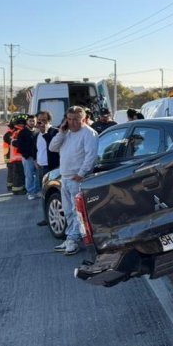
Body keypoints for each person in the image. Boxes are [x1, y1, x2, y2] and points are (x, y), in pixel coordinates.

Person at [49, 105, 98, 256]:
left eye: (76, 119)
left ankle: (74, 240)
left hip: (78, 179)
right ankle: (70, 237)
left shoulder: (89, 133)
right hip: (65, 177)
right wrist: (61, 132)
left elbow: (91, 156)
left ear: (83, 119)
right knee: (69, 211)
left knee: (77, 212)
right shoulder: (67, 133)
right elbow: (52, 147)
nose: (72, 123)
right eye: (69, 119)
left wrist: (81, 173)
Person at [34, 111, 60, 226]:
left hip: (51, 167)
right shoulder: (37, 134)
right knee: (44, 194)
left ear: (49, 120)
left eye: (44, 120)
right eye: (39, 120)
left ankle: (52, 218)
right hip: (41, 167)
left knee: (52, 194)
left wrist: (45, 132)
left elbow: (53, 147)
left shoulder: (54, 131)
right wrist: (36, 160)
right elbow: (37, 149)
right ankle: (46, 218)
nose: (41, 122)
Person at [16, 114, 40, 200]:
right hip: (28, 158)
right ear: (27, 122)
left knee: (38, 175)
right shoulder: (22, 133)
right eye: (30, 121)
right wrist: (28, 156)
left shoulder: (38, 131)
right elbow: (20, 146)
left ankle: (36, 191)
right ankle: (30, 192)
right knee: (29, 175)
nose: (32, 122)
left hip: (37, 158)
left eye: (33, 121)